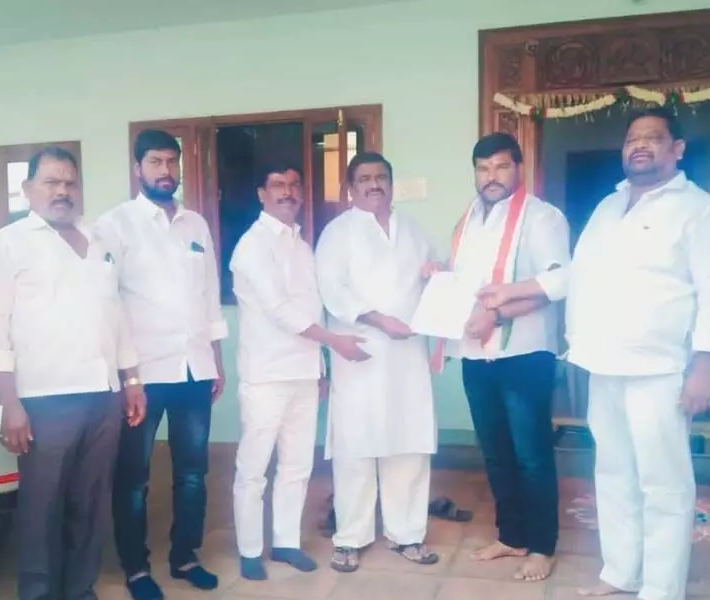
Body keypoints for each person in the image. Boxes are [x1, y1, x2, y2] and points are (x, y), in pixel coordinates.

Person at [566, 107, 710, 600]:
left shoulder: (699, 210)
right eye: (633, 138)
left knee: (664, 483)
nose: (639, 145)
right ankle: (621, 572)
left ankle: (661, 588)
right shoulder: (607, 206)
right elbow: (584, 278)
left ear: (677, 149)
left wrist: (705, 363)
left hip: (660, 368)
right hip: (602, 362)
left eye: (653, 138)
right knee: (612, 471)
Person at [0, 147, 148, 600]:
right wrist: (10, 405)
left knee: (89, 505)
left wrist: (131, 381)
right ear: (28, 189)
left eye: (70, 182)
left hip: (103, 395)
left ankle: (80, 589)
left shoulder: (100, 243)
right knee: (41, 510)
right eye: (51, 182)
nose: (62, 190)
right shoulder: (5, 245)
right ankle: (38, 593)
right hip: (42, 400)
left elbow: (118, 317)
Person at [94, 129, 228, 600]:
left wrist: (216, 359)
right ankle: (135, 568)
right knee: (134, 477)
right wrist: (125, 375)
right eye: (155, 162)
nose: (166, 171)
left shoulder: (196, 225)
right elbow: (107, 303)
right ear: (138, 168)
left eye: (171, 162)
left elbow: (209, 295)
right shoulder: (114, 226)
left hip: (194, 368)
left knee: (193, 472)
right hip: (143, 374)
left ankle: (185, 556)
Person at [229, 162, 371, 581]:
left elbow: (314, 308)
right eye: (278, 185)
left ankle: (286, 541)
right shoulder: (252, 246)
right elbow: (279, 311)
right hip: (266, 374)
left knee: (296, 464)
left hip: (305, 372)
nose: (288, 192)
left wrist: (322, 365)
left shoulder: (302, 245)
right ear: (262, 193)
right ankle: (250, 549)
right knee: (254, 467)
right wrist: (335, 343)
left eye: (294, 185)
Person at [439, 132, 569, 582]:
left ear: (518, 168)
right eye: (483, 168)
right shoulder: (469, 220)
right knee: (495, 452)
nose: (491, 176)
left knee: (531, 453)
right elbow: (463, 285)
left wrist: (496, 315)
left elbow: (555, 284)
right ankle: (511, 535)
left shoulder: (542, 218)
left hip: (524, 353)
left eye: (500, 167)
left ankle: (541, 545)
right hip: (476, 355)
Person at [315, 151, 440, 573]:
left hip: (407, 354)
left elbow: (434, 280)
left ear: (391, 183)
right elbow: (332, 289)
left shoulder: (414, 229)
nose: (374, 184)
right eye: (364, 178)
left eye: (381, 177)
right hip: (361, 350)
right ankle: (350, 537)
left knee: (409, 442)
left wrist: (436, 275)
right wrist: (379, 319)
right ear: (350, 189)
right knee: (356, 446)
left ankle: (408, 534)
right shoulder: (338, 231)